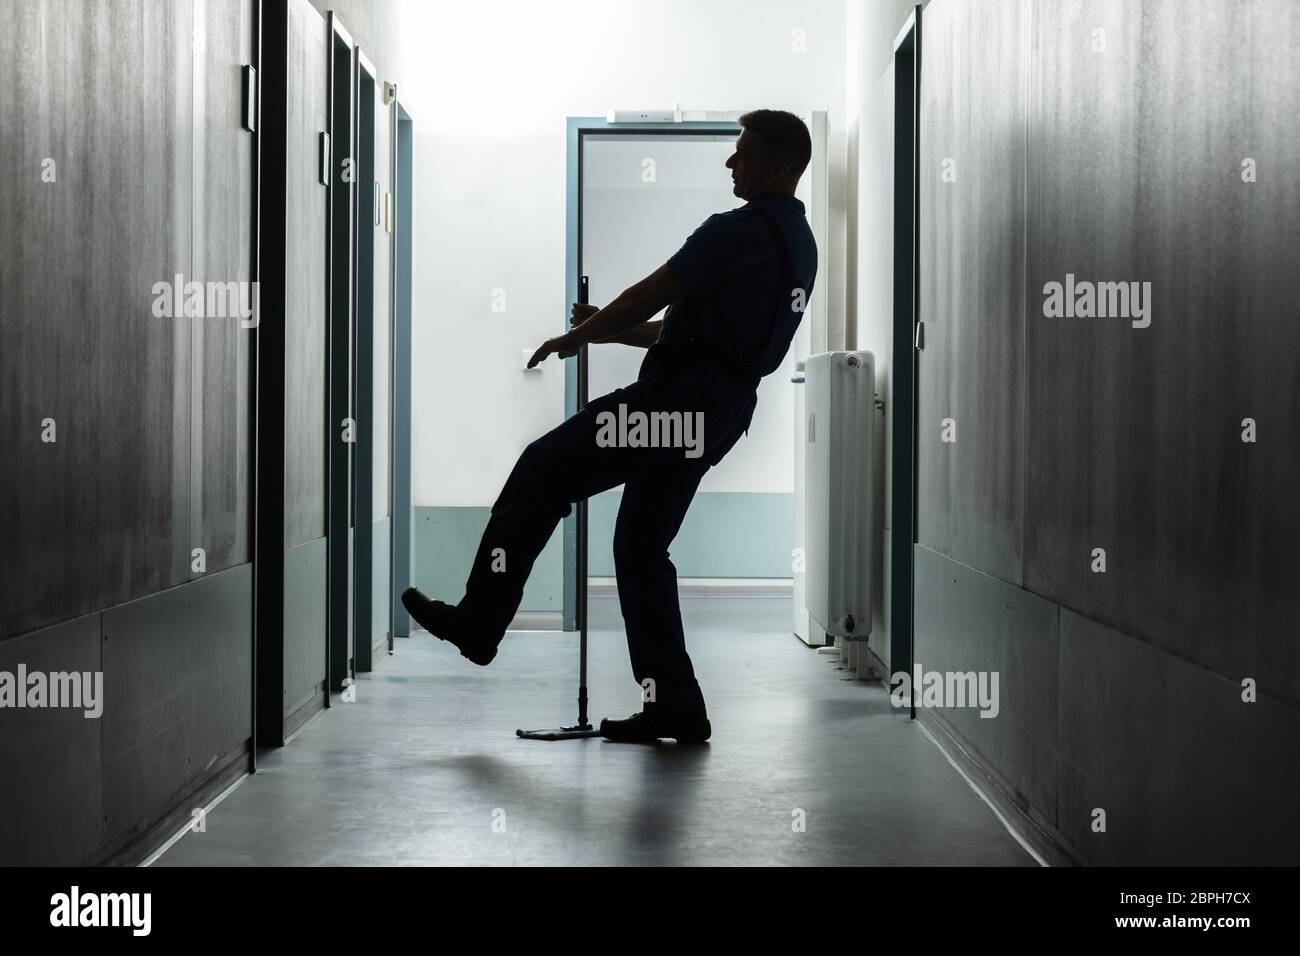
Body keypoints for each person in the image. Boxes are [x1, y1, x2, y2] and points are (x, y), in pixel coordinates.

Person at [403, 109, 818, 743]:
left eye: (744, 153)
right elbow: (696, 334)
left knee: (544, 466)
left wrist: (578, 334)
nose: (731, 162)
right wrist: (615, 329)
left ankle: (477, 624)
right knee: (640, 547)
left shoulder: (737, 231)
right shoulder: (798, 244)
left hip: (668, 410)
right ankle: (675, 703)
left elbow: (652, 293)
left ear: (779, 168)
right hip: (718, 413)